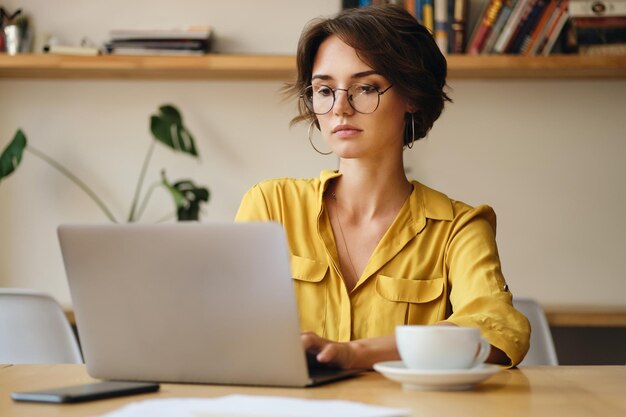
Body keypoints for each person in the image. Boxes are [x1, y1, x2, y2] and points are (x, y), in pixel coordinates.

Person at [235, 4, 530, 369]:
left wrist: (357, 354)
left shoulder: (459, 228)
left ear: (411, 97)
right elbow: (224, 325)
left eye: (365, 87)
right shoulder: (270, 206)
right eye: (325, 90)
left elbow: (499, 331)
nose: (340, 107)